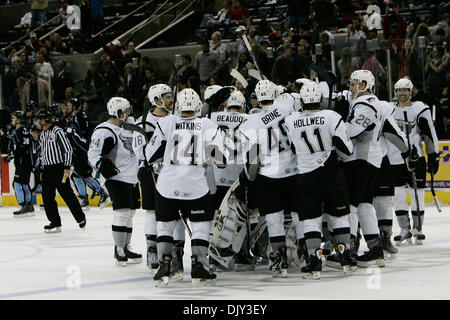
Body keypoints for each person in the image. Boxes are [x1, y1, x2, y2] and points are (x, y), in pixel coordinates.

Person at [145, 88, 224, 287]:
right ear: (198, 105)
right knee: (200, 226)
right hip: (195, 184)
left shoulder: (167, 122)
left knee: (165, 225)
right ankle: (199, 266)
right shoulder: (207, 124)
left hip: (167, 184)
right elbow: (220, 157)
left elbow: (150, 155)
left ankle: (165, 264)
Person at [284, 81, 356, 279]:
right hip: (331, 172)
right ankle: (345, 256)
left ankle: (314, 261)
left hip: (306, 174)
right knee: (339, 216)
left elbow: (291, 145)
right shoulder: (331, 116)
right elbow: (347, 150)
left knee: (310, 220)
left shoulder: (290, 120)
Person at [238, 80, 298, 277]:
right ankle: (307, 253)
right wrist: (282, 92)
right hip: (293, 169)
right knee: (299, 214)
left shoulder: (250, 123)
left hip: (269, 174)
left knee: (274, 218)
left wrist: (249, 177)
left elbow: (253, 159)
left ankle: (279, 258)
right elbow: (292, 97)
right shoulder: (286, 104)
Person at [88, 97, 141, 266]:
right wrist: (101, 165)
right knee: (122, 213)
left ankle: (126, 246)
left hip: (132, 177)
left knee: (130, 214)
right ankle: (118, 249)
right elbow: (93, 154)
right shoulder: (104, 130)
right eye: (125, 111)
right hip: (117, 178)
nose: (129, 113)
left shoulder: (128, 127)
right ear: (117, 112)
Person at [387, 78, 439, 245]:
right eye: (399, 90)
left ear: (411, 91)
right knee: (399, 195)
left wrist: (433, 155)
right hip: (395, 158)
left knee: (419, 195)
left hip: (417, 159)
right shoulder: (388, 110)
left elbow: (429, 133)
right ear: (395, 92)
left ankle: (418, 228)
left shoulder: (420, 109)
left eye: (405, 90)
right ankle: (404, 229)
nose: (402, 93)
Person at [132, 84, 176, 275]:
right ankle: (152, 250)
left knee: (170, 214)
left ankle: (171, 252)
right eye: (167, 97)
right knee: (152, 212)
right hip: (149, 172)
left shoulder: (175, 120)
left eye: (171, 97)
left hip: (172, 172)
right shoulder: (143, 123)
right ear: (157, 100)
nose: (171, 100)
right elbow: (140, 151)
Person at [36, 108, 86, 233]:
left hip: (59, 168)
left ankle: (80, 218)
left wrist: (67, 167)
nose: (38, 121)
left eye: (40, 118)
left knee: (67, 194)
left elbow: (67, 149)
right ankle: (54, 222)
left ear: (46, 119)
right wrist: (42, 169)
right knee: (47, 197)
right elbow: (43, 153)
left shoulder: (57, 131)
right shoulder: (43, 134)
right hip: (47, 169)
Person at [61, 99, 110, 210]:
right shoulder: (74, 117)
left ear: (74, 106)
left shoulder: (78, 116)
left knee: (83, 175)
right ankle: (85, 198)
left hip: (81, 150)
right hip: (79, 150)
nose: (67, 106)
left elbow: (81, 135)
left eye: (69, 104)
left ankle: (101, 193)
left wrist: (82, 148)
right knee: (77, 175)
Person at [4, 111, 35, 216]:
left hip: (21, 162)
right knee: (25, 184)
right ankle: (29, 205)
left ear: (18, 119)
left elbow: (18, 147)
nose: (12, 120)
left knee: (17, 183)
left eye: (14, 118)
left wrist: (11, 154)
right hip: (27, 162)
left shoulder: (18, 131)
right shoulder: (26, 130)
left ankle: (23, 206)